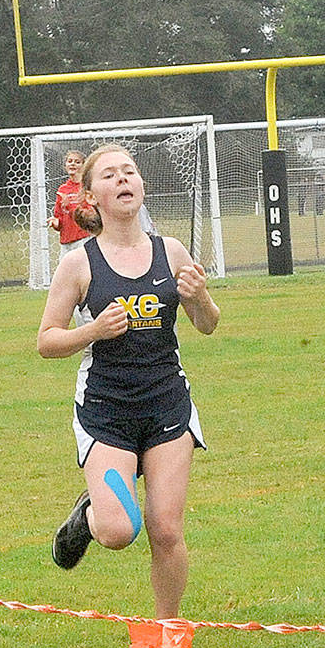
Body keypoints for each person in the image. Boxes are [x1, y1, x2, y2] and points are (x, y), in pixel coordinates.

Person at [37, 144, 220, 620]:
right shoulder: (79, 264)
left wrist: (200, 298)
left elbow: (207, 323)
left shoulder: (171, 250)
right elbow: (47, 340)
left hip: (166, 407)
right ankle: (90, 514)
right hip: (106, 412)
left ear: (141, 186)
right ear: (91, 197)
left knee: (165, 529)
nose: (123, 180)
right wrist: (92, 330)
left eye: (130, 172)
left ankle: (167, 631)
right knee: (120, 531)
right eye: (110, 175)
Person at [46, 149, 93, 258]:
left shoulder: (87, 187)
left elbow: (90, 216)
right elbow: (59, 218)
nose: (72, 164)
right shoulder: (62, 189)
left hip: (84, 238)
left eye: (77, 162)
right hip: (66, 241)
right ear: (65, 165)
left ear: (84, 166)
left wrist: (70, 206)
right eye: (70, 161)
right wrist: (55, 222)